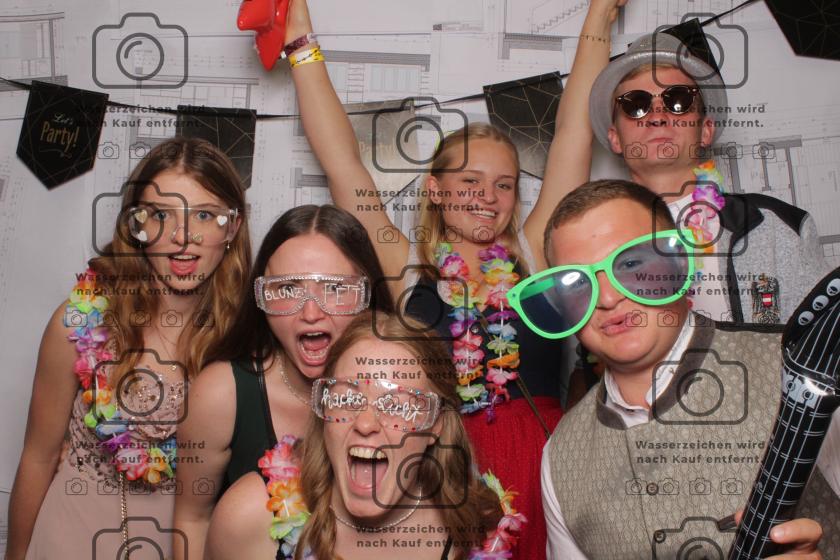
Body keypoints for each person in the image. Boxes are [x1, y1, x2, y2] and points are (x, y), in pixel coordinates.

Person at [279, 1, 575, 555]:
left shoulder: (537, 254)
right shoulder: (406, 266)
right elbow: (342, 162)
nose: (487, 196)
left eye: (504, 184)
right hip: (443, 468)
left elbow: (574, 134)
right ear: (435, 189)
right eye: (469, 180)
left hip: (547, 467)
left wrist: (600, 16)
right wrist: (300, 45)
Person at [505, 180, 840, 558]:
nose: (608, 298)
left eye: (631, 264)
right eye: (576, 283)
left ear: (679, 261)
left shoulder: (803, 373)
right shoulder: (560, 457)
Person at [551, 0, 830, 407]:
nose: (658, 115)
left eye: (678, 100)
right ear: (614, 138)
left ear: (706, 129)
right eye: (636, 105)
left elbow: (825, 354)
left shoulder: (775, 227)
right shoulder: (594, 244)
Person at [7, 137, 252, 559]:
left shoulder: (248, 340)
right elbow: (37, 458)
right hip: (68, 542)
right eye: (161, 215)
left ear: (231, 227)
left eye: (204, 215)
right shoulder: (82, 321)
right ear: (137, 225)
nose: (182, 237)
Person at [204, 311, 527, 560]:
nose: (367, 423)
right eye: (348, 398)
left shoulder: (479, 525)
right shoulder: (250, 515)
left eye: (397, 405)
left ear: (436, 424)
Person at [174, 205, 394, 560]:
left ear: (367, 295)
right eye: (288, 288)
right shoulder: (221, 393)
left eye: (335, 288)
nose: (311, 313)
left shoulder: (402, 391)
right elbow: (192, 518)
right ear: (261, 298)